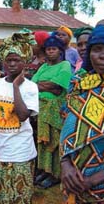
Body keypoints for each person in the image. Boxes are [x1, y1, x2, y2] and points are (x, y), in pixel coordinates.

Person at [0, 31, 39, 204]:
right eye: (9, 60)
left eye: (17, 60)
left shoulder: (30, 87)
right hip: (0, 150)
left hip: (21, 151)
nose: (13, 64)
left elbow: (23, 116)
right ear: (3, 62)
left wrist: (16, 87)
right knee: (0, 194)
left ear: (25, 62)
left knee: (20, 196)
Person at [60, 25, 104, 203]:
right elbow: (65, 125)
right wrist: (65, 164)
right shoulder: (78, 84)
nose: (102, 56)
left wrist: (91, 181)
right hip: (73, 177)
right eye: (97, 49)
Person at [32, 35, 72, 188]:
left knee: (54, 142)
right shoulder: (44, 67)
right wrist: (46, 85)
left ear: (60, 51)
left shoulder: (65, 65)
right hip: (41, 110)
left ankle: (55, 174)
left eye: (53, 49)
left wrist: (40, 85)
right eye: (48, 49)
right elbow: (32, 83)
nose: (50, 52)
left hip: (55, 110)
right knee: (43, 141)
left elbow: (57, 89)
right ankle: (44, 170)